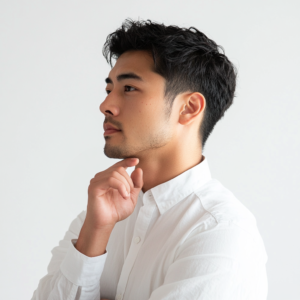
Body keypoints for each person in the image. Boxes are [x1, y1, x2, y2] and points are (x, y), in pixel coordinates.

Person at [32, 19, 268, 300]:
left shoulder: (220, 230)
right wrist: (95, 232)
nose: (105, 105)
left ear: (189, 108)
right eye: (109, 90)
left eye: (128, 88)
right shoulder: (98, 216)